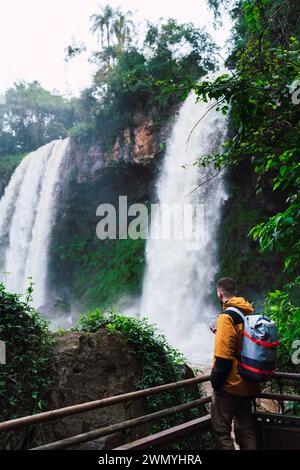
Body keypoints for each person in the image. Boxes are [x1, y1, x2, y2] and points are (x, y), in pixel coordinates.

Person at [210, 277, 260, 450]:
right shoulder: (247, 313)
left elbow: (224, 356)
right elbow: (241, 344)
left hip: (231, 385)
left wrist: (216, 383)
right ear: (235, 292)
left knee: (221, 429)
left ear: (220, 293)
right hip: (248, 381)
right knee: (246, 429)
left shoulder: (226, 317)